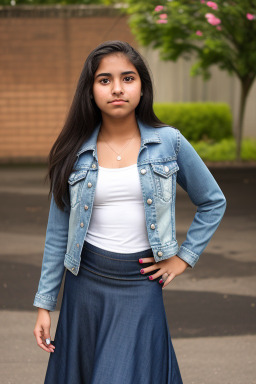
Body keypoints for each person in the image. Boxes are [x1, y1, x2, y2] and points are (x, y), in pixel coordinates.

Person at [33, 40, 226, 383]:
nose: (117, 88)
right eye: (104, 80)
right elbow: (58, 232)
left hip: (141, 283)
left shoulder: (170, 143)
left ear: (142, 87)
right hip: (85, 284)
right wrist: (45, 304)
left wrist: (183, 258)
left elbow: (213, 201)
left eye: (128, 78)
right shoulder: (73, 152)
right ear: (90, 91)